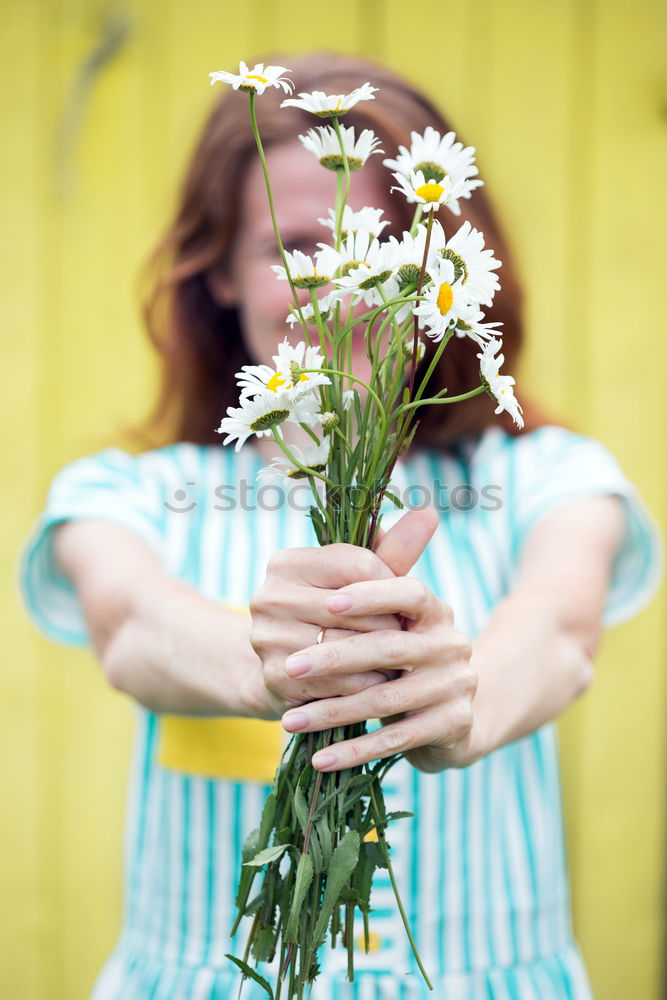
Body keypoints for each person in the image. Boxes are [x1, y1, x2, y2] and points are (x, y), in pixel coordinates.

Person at [19, 52, 662, 1000]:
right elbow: (130, 623)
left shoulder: (540, 476)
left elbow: (561, 629)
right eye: (302, 248)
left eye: (386, 251)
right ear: (222, 276)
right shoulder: (130, 494)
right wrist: (263, 666)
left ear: (442, 273)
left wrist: (463, 697)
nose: (347, 285)